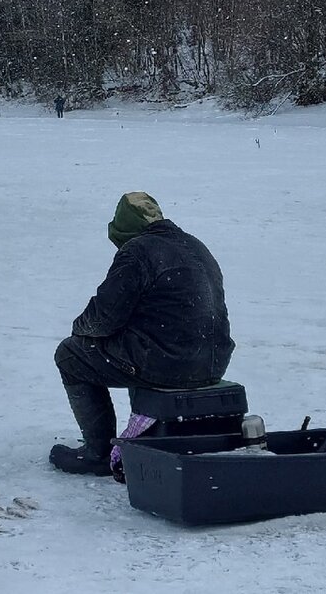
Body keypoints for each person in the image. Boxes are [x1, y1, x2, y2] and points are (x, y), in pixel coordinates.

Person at [50, 192, 234, 475]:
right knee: (143, 338)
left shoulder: (138, 251)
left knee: (70, 355)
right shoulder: (195, 246)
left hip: (169, 364)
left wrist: (81, 331)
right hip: (213, 362)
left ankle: (97, 452)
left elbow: (104, 318)